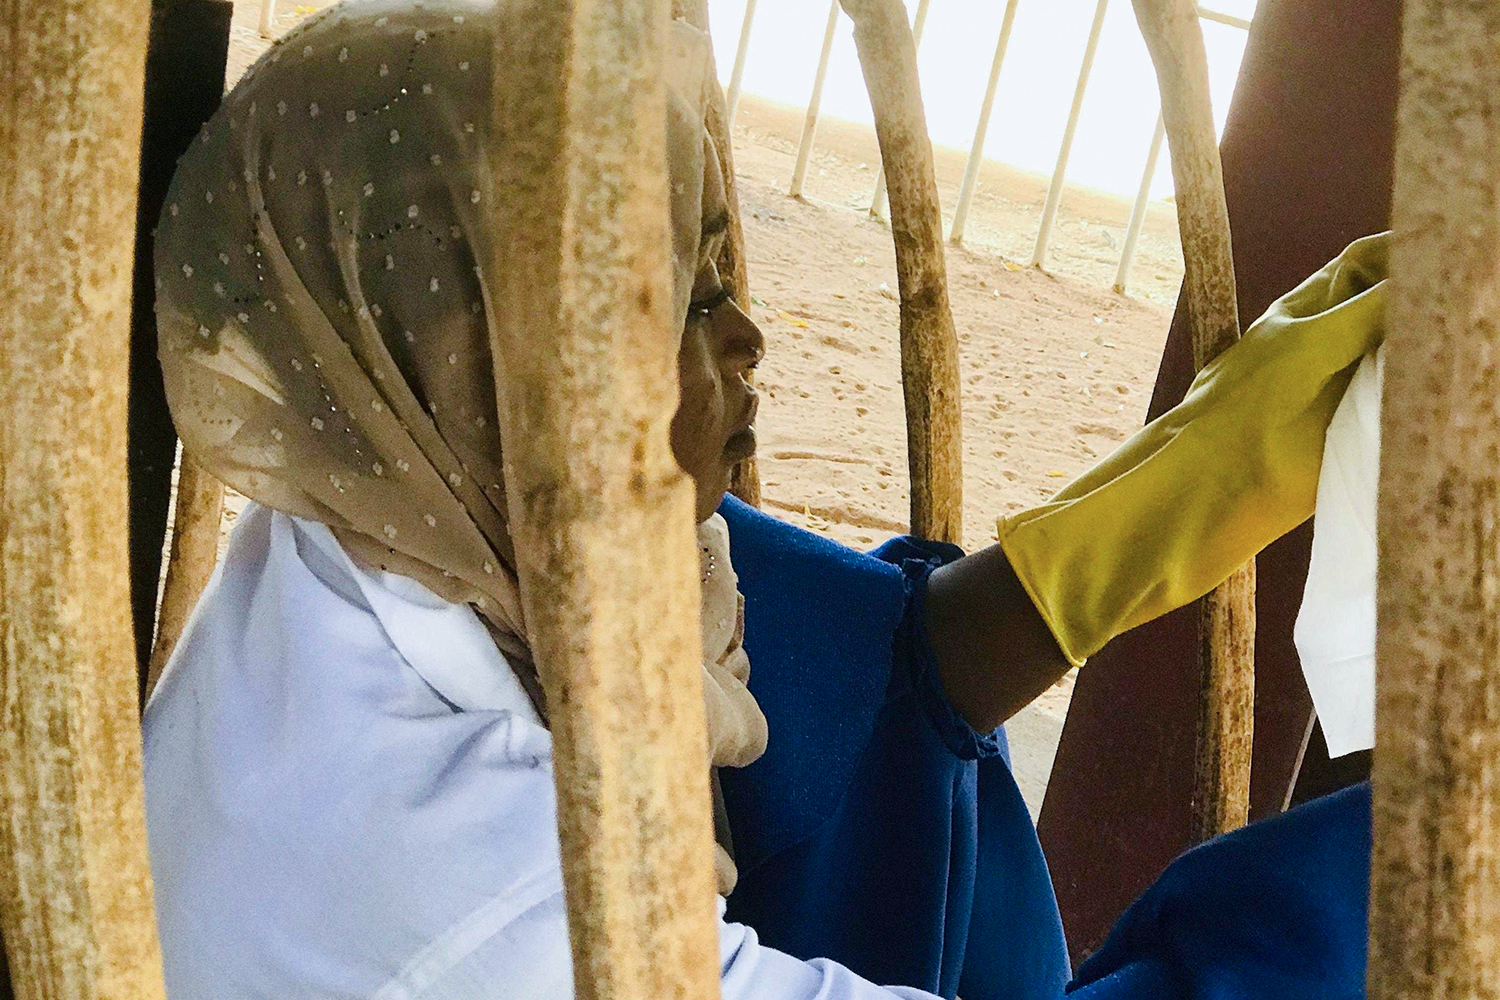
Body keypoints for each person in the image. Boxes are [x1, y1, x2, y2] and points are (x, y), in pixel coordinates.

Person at [144, 1, 1386, 997]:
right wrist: (1387, 863)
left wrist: (1185, 483)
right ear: (508, 378)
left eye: (719, 272)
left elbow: (865, 673)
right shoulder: (492, 904)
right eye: (684, 300)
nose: (748, 336)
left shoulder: (383, 506)